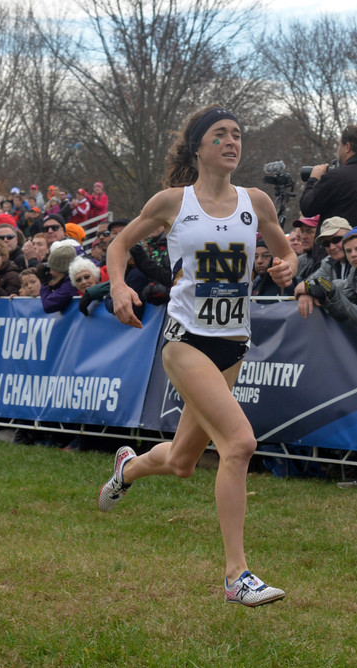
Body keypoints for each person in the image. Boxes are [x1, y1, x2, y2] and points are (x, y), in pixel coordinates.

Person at [100, 104, 296, 607]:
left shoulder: (256, 202)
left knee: (185, 462)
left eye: (237, 134)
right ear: (199, 148)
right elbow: (119, 244)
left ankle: (129, 468)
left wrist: (285, 266)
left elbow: (285, 251)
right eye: (220, 135)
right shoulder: (172, 202)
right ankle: (237, 576)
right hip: (184, 341)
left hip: (232, 343)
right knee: (239, 443)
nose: (232, 142)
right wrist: (119, 287)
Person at [307, 227, 357, 331]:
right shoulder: (354, 271)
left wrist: (335, 294)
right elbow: (344, 315)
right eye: (348, 251)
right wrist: (325, 300)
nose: (353, 254)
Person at [293, 216, 351, 318]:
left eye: (337, 239)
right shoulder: (329, 261)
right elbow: (308, 282)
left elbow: (352, 287)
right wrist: (307, 293)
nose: (332, 247)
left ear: (351, 236)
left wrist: (314, 289)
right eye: (326, 243)